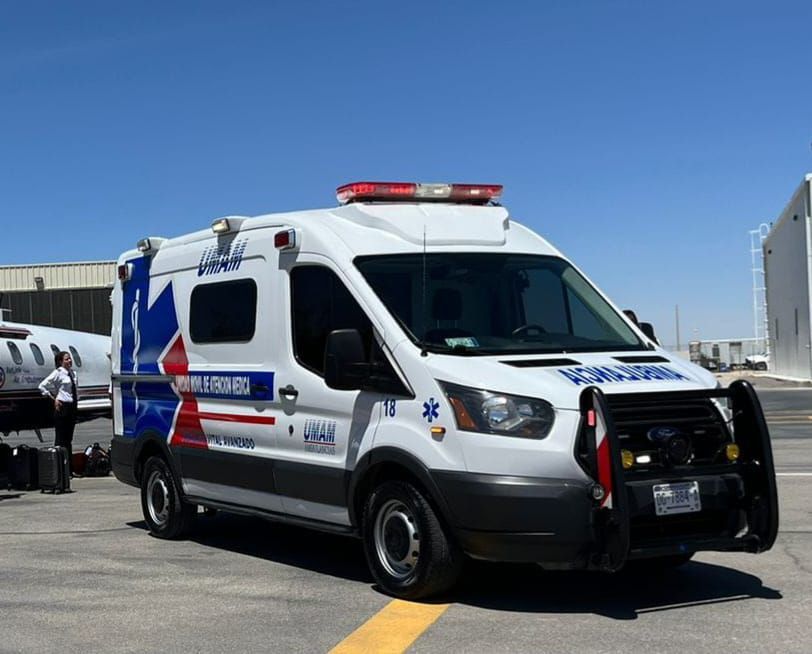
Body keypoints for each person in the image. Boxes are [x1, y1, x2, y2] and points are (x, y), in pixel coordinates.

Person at [38, 351, 78, 473]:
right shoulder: (58, 373)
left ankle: (69, 469)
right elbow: (42, 386)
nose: (69, 361)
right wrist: (53, 399)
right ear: (60, 362)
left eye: (70, 359)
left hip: (72, 407)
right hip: (62, 407)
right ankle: (60, 468)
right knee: (60, 439)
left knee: (69, 439)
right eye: (66, 359)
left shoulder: (73, 373)